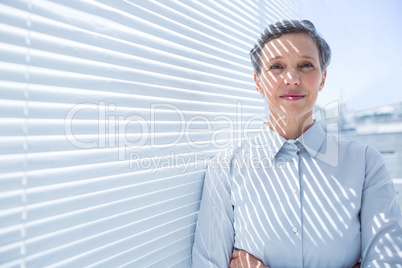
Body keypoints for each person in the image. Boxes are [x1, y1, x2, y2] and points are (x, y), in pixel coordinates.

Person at [191, 19, 402, 267]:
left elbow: (388, 261)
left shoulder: (365, 163)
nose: (291, 79)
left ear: (322, 78)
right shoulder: (225, 169)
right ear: (258, 82)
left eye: (305, 65)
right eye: (277, 66)